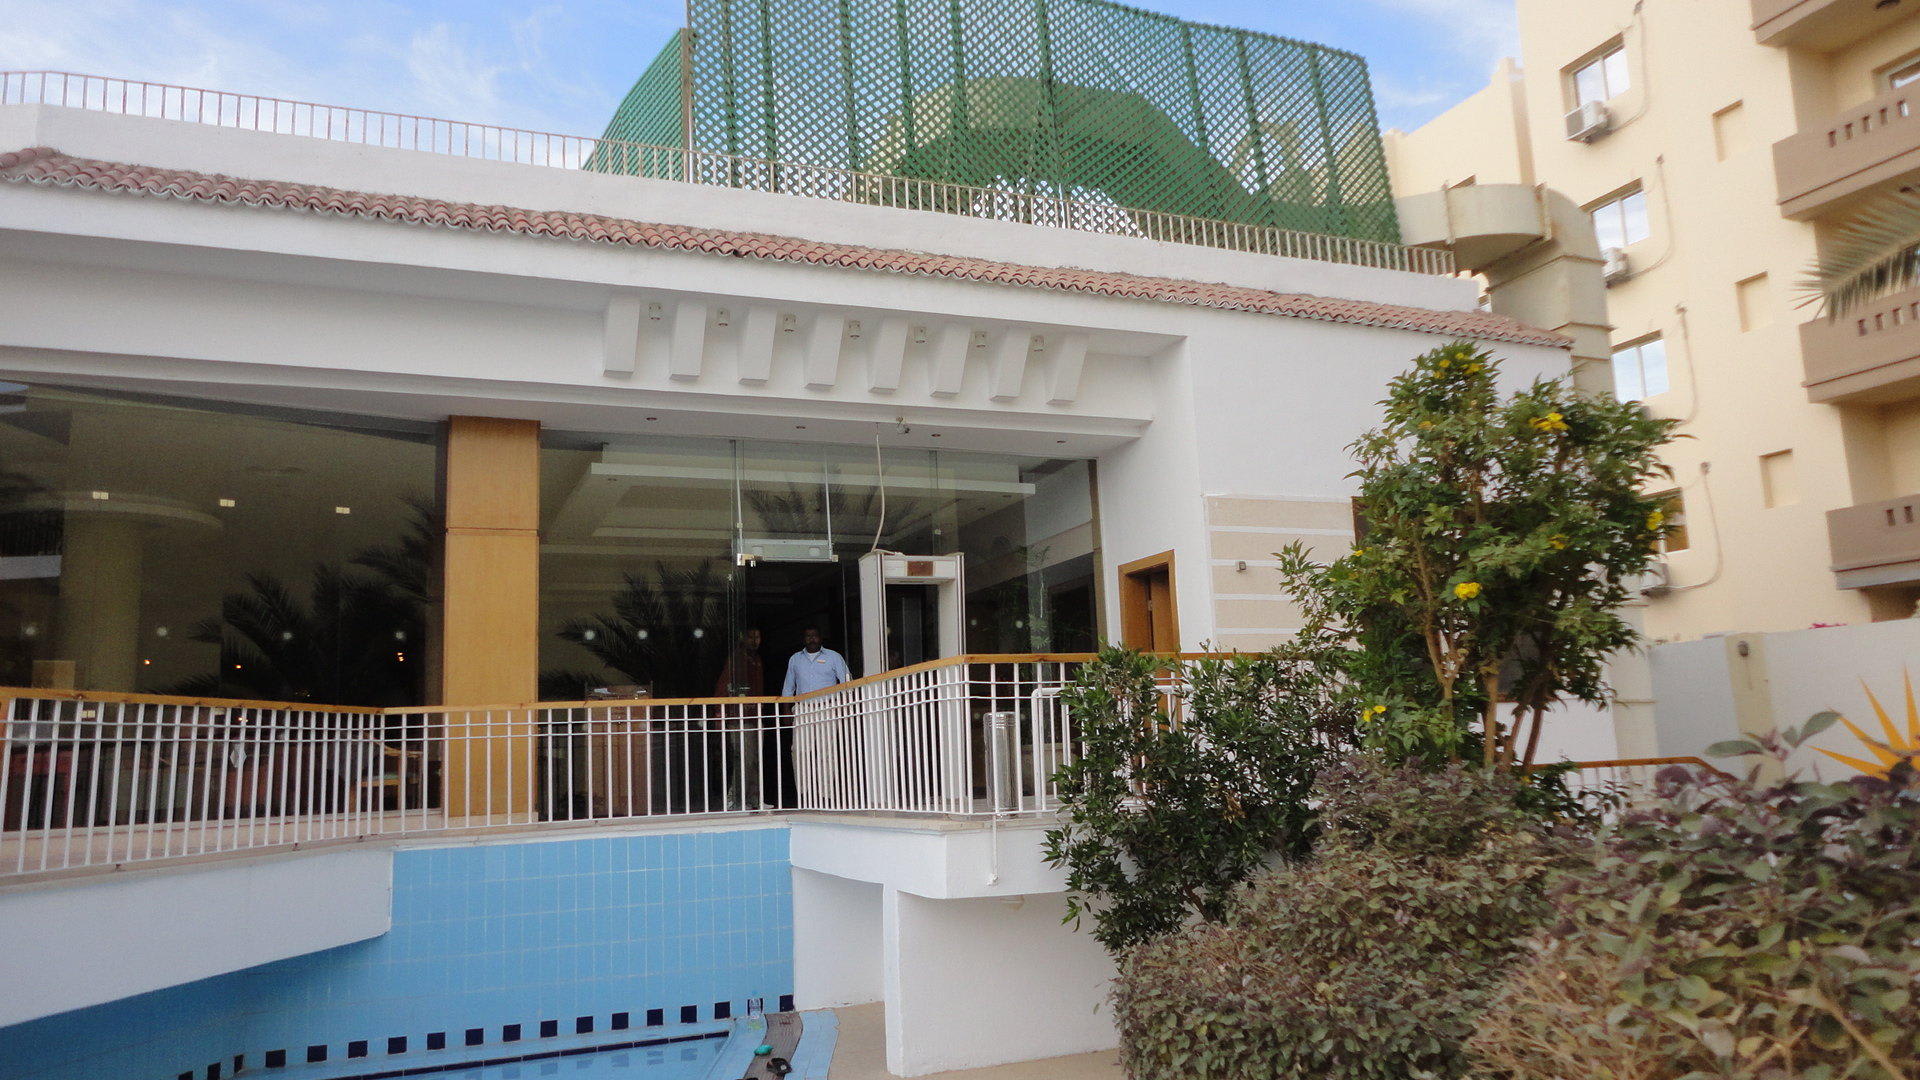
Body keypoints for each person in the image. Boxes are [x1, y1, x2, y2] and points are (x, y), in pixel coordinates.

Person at [782, 626, 851, 696]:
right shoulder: (795, 659)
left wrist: (846, 701)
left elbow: (847, 682)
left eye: (815, 636)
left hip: (829, 702)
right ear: (803, 639)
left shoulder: (834, 656)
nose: (812, 639)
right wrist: (785, 703)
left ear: (821, 638)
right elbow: (788, 688)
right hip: (803, 703)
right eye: (808, 636)